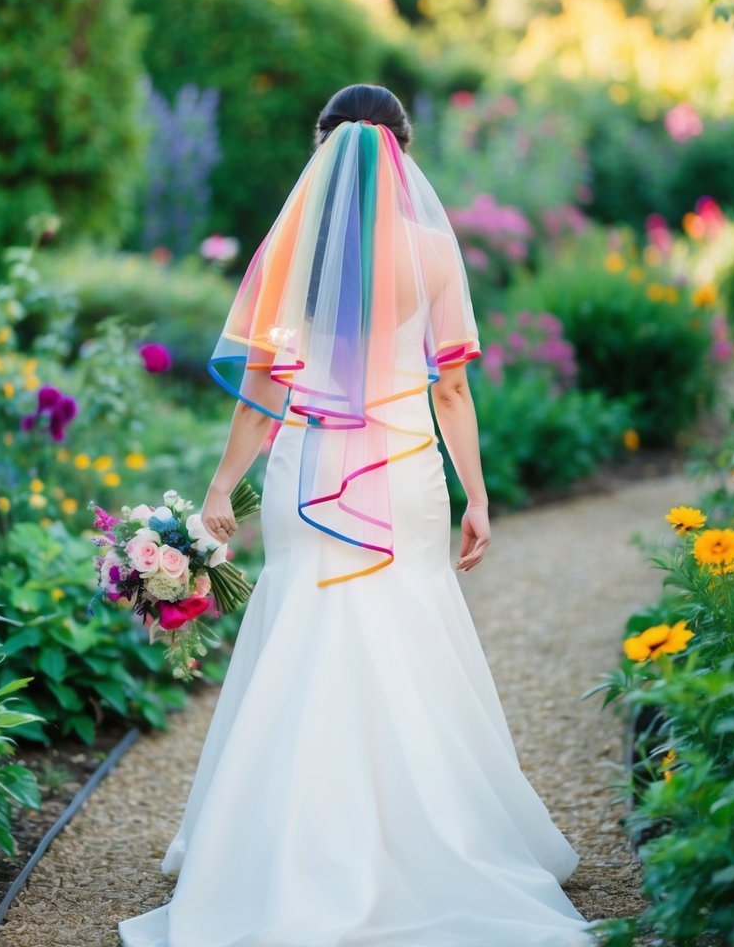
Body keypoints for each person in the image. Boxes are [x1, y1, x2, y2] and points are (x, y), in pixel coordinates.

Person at [119, 84, 597, 947]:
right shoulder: (432, 253)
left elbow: (265, 389)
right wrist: (477, 496)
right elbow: (449, 386)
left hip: (313, 469)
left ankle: (274, 845)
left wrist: (223, 486)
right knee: (407, 619)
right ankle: (436, 837)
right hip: (406, 467)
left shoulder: (293, 249)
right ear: (402, 155)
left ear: (321, 154)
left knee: (308, 614)